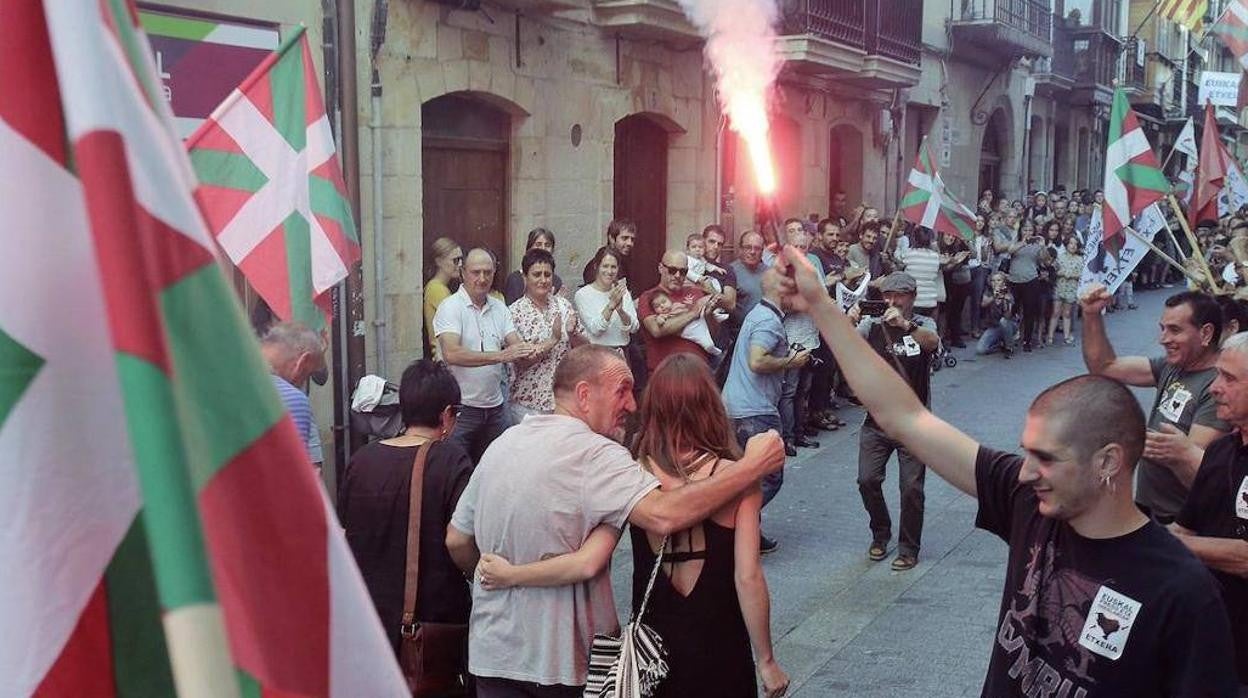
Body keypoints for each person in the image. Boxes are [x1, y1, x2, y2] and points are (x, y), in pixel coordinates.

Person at [772, 244, 1239, 696]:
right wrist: (819, 303)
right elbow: (906, 418)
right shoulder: (1029, 503)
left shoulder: (1183, 593)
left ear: (1109, 462)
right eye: (1027, 453)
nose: (1026, 472)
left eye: (1048, 458)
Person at [445, 345, 785, 695]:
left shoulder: (501, 444)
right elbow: (662, 515)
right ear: (584, 394)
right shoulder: (601, 457)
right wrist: (751, 467)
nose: (632, 405)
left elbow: (456, 539)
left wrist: (498, 575)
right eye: (621, 390)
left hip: (493, 654)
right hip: (561, 660)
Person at [339, 360, 473, 659]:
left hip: (369, 614)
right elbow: (459, 538)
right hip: (431, 617)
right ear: (447, 414)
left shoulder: (362, 460)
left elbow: (345, 532)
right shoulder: (451, 461)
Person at [1081, 286, 1231, 522]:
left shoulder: (1219, 387)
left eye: (1174, 330)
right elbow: (1105, 366)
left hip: (1182, 521)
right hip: (1149, 509)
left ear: (1205, 334)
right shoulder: (1173, 366)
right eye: (1163, 329)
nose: (1163, 339)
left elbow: (1197, 469)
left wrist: (1141, 442)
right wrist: (1091, 315)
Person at [1169, 332, 1248, 692]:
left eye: (1229, 379)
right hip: (1208, 642)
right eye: (1218, 375)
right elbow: (1184, 528)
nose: (1214, 388)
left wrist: (1161, 542)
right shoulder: (1219, 452)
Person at [846, 272, 939, 571]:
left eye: (898, 295)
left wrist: (905, 325)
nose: (891, 301)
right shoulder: (872, 325)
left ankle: (909, 547)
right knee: (866, 480)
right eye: (887, 295)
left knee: (911, 488)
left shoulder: (923, 324)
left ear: (912, 297)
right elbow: (845, 344)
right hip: (877, 421)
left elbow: (932, 343)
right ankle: (881, 530)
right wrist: (848, 320)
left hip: (914, 424)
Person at [721, 265, 807, 538]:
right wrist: (791, 361)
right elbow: (757, 360)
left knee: (745, 477)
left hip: (737, 408)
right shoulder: (769, 321)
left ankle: (748, 534)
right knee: (769, 476)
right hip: (754, 412)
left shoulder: (758, 313)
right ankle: (735, 523)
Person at [434, 248, 538, 463]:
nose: (482, 278)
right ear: (463, 272)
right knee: (455, 471)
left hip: (495, 408)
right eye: (476, 272)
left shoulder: (500, 308)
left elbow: (516, 347)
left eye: (488, 272)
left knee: (497, 471)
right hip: (461, 410)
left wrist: (545, 343)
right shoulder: (451, 307)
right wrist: (502, 356)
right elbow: (452, 353)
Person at [508, 249, 584, 421]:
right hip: (527, 405)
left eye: (547, 275)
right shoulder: (513, 313)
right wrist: (553, 340)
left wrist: (573, 334)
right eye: (537, 274)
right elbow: (521, 361)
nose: (543, 280)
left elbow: (585, 349)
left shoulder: (564, 306)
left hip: (562, 402)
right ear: (525, 278)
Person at [638, 250, 724, 372]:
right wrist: (694, 313)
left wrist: (708, 314)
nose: (678, 275)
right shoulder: (648, 297)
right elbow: (656, 330)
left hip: (699, 370)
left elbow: (713, 335)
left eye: (683, 272)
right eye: (672, 270)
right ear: (661, 268)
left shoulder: (696, 292)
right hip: (666, 373)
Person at [780, 227, 825, 453]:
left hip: (810, 337)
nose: (800, 251)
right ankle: (786, 438)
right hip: (791, 338)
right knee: (789, 391)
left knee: (803, 390)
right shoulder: (781, 273)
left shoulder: (813, 270)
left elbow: (823, 299)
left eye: (803, 248)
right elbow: (782, 305)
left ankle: (800, 432)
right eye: (796, 247)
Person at [260, 321, 326, 469]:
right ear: (302, 362)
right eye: (307, 375)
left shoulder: (227, 382)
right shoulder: (293, 399)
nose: (301, 384)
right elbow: (290, 474)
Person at [573, 247, 638, 355]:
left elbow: (634, 327)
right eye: (605, 266)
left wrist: (621, 311)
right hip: (596, 354)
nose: (609, 271)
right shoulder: (582, 295)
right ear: (596, 266)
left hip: (621, 353)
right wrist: (611, 306)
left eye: (613, 267)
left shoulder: (622, 291)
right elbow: (596, 329)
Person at [1006, 221, 1050, 352]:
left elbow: (1045, 260)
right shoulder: (1016, 241)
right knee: (1012, 311)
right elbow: (1010, 250)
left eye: (1030, 230)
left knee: (1029, 312)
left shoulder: (1036, 245)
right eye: (1025, 230)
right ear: (1021, 230)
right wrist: (1023, 242)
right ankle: (1010, 338)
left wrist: (1042, 246)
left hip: (1030, 281)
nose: (1028, 233)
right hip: (1014, 280)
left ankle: (1027, 341)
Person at [424, 236, 464, 360]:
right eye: (455, 260)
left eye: (461, 259)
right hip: (443, 356)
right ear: (439, 261)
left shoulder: (439, 287)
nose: (460, 264)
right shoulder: (437, 289)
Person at [647, 290, 720, 356]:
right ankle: (711, 348)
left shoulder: (676, 305)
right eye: (657, 306)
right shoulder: (662, 315)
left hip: (695, 320)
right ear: (654, 311)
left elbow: (689, 309)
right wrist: (660, 319)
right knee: (704, 341)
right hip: (688, 331)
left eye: (664, 302)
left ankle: (717, 315)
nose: (662, 306)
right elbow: (659, 323)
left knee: (704, 310)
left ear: (669, 300)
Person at [504, 228, 564, 305]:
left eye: (547, 245)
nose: (543, 248)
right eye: (538, 244)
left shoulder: (556, 280)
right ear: (529, 248)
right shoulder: (515, 279)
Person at [1048, 235, 1084, 346]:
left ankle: (1067, 336)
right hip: (1059, 287)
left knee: (1067, 313)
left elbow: (1081, 275)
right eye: (1071, 243)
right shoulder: (1060, 257)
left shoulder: (1080, 259)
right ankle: (1050, 336)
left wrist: (1072, 275)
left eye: (1075, 244)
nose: (1073, 246)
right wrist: (1062, 274)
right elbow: (1053, 271)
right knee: (1055, 312)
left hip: (1071, 288)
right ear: (1066, 244)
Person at [939, 231, 973, 348]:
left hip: (958, 283)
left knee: (957, 310)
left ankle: (955, 337)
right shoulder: (937, 247)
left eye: (953, 235)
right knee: (943, 312)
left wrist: (967, 243)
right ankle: (942, 339)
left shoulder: (959, 246)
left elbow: (972, 255)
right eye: (948, 235)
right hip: (942, 283)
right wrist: (954, 261)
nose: (950, 237)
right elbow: (944, 269)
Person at [581, 218, 636, 286]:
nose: (630, 243)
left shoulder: (625, 263)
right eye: (624, 238)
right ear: (612, 239)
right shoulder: (596, 265)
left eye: (632, 239)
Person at [977, 271, 1017, 358]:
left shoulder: (1008, 293)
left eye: (998, 280)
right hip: (994, 326)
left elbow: (1008, 316)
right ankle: (999, 345)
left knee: (1003, 321)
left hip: (1009, 325)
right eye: (993, 280)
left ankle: (1009, 347)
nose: (995, 283)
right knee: (980, 350)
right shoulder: (988, 292)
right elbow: (983, 304)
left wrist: (1005, 301)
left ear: (1004, 282)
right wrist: (994, 297)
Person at [730, 230, 769, 317]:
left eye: (757, 248)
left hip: (765, 327)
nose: (752, 252)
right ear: (740, 249)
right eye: (748, 247)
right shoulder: (730, 272)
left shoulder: (770, 273)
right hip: (739, 329)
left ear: (762, 251)